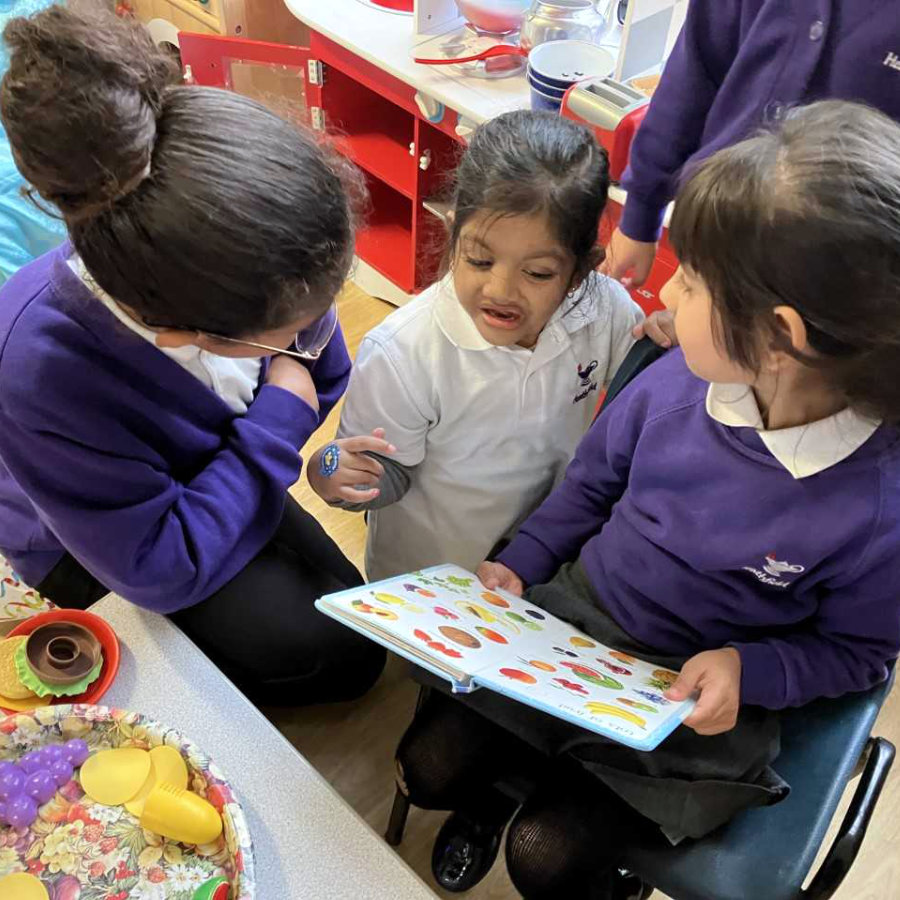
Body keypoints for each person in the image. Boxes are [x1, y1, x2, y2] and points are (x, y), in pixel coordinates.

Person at [393, 101, 900, 897]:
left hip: (685, 697)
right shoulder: (676, 384)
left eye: (690, 282)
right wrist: (519, 567)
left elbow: (861, 654)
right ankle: (493, 801)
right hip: (575, 620)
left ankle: (568, 838)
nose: (666, 298)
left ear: (780, 337)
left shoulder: (877, 505)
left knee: (547, 857)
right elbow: (588, 488)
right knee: (431, 765)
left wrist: (750, 668)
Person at [0, 6, 385, 705]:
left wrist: (274, 419)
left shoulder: (255, 256)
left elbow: (320, 372)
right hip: (97, 536)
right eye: (290, 328)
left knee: (355, 614)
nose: (313, 333)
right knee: (336, 657)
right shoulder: (38, 372)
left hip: (204, 465)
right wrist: (275, 424)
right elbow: (157, 565)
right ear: (178, 333)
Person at [307, 110, 651, 581]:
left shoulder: (605, 310)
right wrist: (335, 476)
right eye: (481, 259)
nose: (502, 289)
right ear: (453, 234)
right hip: (427, 579)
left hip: (535, 564)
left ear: (583, 270)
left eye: (538, 273)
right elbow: (382, 474)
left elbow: (646, 390)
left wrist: (675, 336)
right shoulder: (404, 349)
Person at [603, 0, 900, 289]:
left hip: (842, 274)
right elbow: (694, 70)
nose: (667, 296)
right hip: (714, 230)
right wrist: (641, 213)